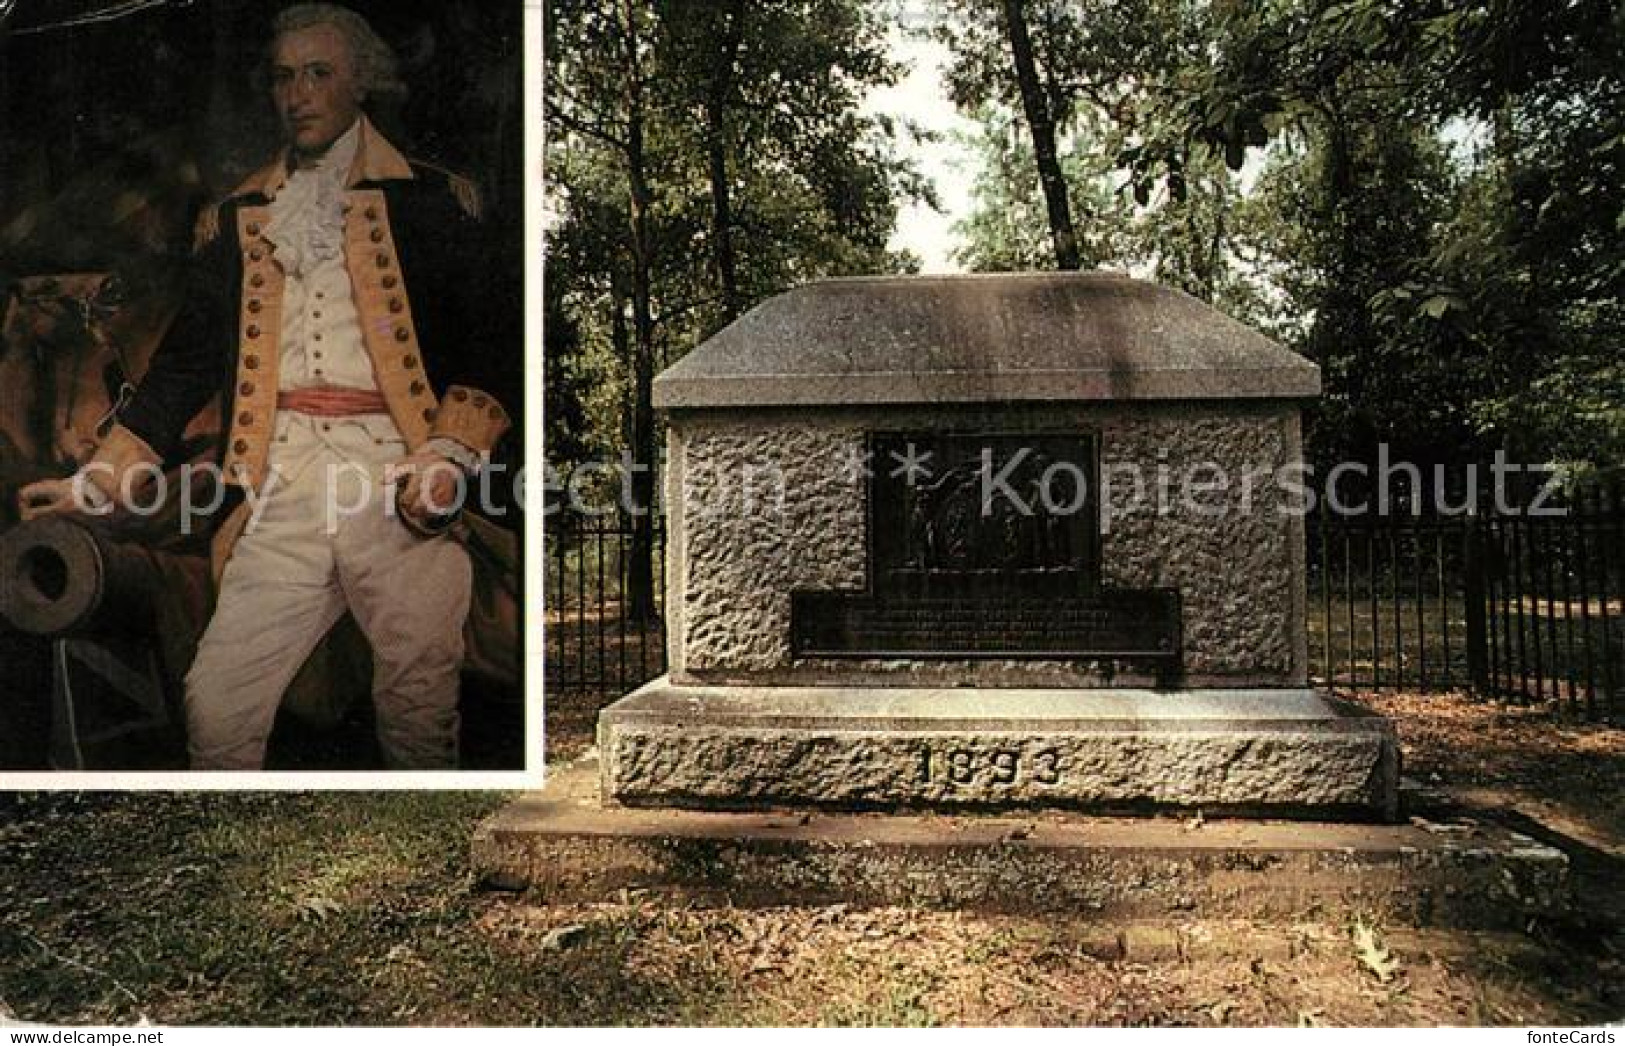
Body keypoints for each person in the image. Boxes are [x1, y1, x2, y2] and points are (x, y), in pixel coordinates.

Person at [18, 3, 516, 771]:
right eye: (285, 76)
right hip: (280, 487)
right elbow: (181, 370)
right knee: (216, 705)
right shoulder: (240, 217)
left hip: (395, 478)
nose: (298, 94)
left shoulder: (429, 203)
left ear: (362, 84)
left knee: (418, 712)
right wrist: (94, 486)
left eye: (320, 74)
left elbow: (485, 346)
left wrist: (448, 454)